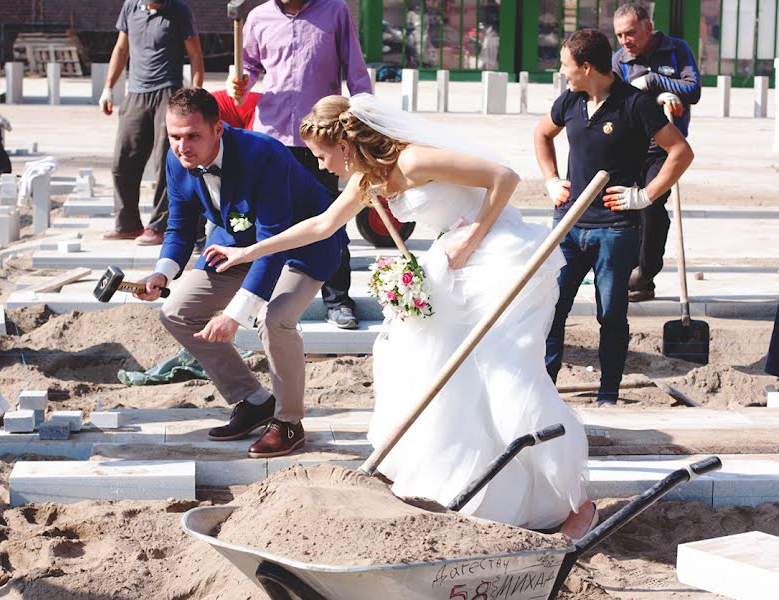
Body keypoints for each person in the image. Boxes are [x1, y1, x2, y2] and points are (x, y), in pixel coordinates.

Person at [204, 93, 596, 537]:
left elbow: (503, 177)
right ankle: (479, 482)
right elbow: (320, 226)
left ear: (345, 145)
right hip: (455, 262)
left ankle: (577, 502)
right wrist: (248, 251)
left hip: (499, 256)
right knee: (425, 363)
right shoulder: (367, 179)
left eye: (322, 155)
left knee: (508, 377)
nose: (321, 165)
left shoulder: (412, 162)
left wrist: (471, 238)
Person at [134, 88, 347, 458]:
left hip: (303, 244)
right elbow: (181, 228)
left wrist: (235, 314)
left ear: (219, 129)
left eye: (192, 136)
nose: (182, 146)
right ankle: (252, 399)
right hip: (233, 246)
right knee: (176, 310)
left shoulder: (262, 154)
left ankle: (288, 421)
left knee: (275, 319)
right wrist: (162, 275)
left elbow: (273, 238)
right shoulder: (176, 160)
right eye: (175, 136)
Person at [535, 29, 694, 406]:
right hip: (569, 226)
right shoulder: (570, 101)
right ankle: (543, 393)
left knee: (611, 314)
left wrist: (645, 196)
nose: (563, 73)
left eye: (566, 66)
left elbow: (680, 152)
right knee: (551, 310)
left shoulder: (635, 104)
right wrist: (551, 180)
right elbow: (542, 135)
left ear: (587, 66)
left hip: (615, 230)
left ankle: (608, 395)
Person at [228, 0, 372, 330]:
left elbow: (356, 73)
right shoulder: (257, 17)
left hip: (322, 140)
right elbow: (248, 66)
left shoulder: (335, 11)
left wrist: (366, 125)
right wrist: (241, 82)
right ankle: (262, 297)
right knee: (267, 221)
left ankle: (338, 300)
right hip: (271, 137)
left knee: (331, 221)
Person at [612, 3, 701, 302]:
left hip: (665, 146)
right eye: (620, 35)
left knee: (651, 207)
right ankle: (631, 275)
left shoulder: (677, 49)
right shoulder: (618, 60)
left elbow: (694, 89)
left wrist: (653, 82)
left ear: (648, 27)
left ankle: (645, 272)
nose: (626, 41)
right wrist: (646, 95)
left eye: (631, 33)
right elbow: (615, 101)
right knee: (626, 210)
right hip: (630, 146)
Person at [100, 0, 204, 246]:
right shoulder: (130, 8)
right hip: (135, 93)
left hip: (168, 92)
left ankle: (159, 226)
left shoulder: (179, 10)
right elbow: (121, 49)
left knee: (165, 161)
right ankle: (127, 223)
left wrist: (195, 95)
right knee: (122, 160)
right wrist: (108, 88)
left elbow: (195, 54)